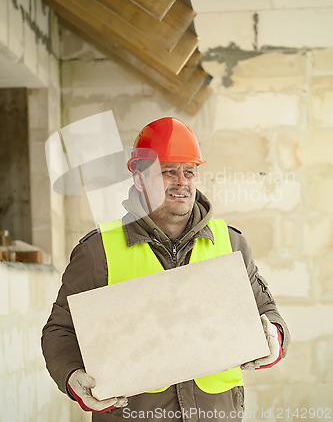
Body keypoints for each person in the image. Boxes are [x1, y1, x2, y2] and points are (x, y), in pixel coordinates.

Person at [42, 117, 290, 421]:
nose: (181, 181)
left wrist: (275, 339)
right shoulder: (97, 251)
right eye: (168, 171)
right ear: (139, 179)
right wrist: (72, 376)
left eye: (189, 171)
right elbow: (60, 332)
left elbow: (266, 311)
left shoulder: (231, 242)